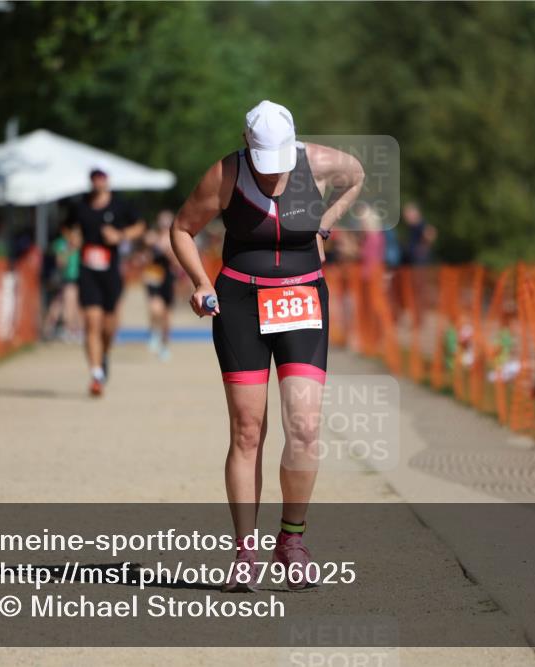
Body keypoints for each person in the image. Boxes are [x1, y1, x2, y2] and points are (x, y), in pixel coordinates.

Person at [170, 100, 364, 591]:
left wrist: (326, 223)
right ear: (247, 144)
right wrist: (198, 281)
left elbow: (357, 175)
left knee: (303, 425)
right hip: (240, 304)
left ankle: (292, 542)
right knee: (247, 431)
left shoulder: (318, 161)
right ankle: (244, 553)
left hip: (302, 300)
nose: (272, 172)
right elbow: (181, 229)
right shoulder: (226, 173)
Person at [74, 169, 146, 396]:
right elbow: (67, 226)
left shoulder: (119, 205)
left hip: (111, 272)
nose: (98, 182)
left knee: (108, 326)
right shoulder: (80, 205)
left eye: (102, 178)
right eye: (94, 178)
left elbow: (140, 226)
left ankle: (103, 355)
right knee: (91, 322)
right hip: (87, 271)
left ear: (107, 181)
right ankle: (96, 375)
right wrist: (72, 238)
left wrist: (120, 236)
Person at [143, 210, 178, 361]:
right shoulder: (152, 237)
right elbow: (144, 256)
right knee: (154, 308)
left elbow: (177, 264)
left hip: (168, 278)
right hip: (154, 275)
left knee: (166, 315)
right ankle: (154, 332)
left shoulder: (175, 240)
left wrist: (168, 250)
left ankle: (164, 345)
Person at [43, 220, 82, 341]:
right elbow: (60, 263)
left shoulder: (79, 244)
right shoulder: (62, 244)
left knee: (60, 305)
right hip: (65, 279)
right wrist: (70, 250)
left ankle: (50, 329)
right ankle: (68, 329)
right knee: (67, 304)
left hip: (76, 279)